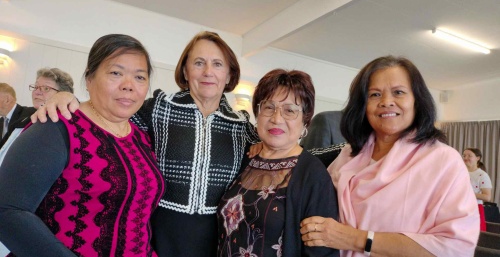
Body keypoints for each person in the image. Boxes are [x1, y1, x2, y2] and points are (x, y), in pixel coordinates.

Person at [31, 31, 261, 256]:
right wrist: (68, 99)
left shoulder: (242, 127)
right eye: (199, 63)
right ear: (185, 70)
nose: (208, 72)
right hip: (152, 237)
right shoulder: (157, 108)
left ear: (230, 75)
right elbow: (107, 114)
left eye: (218, 64)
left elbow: (276, 158)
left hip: (215, 241)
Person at [0, 34, 165, 256]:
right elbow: (7, 210)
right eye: (116, 73)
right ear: (89, 78)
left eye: (140, 77)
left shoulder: (142, 138)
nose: (128, 86)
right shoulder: (56, 126)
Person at [300, 56, 479, 257]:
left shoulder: (443, 161)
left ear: (417, 101)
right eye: (375, 94)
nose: (386, 102)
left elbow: (455, 248)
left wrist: (354, 238)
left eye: (398, 92)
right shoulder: (349, 155)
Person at [217, 69, 340, 257]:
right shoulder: (245, 159)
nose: (276, 118)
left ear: (305, 120)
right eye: (268, 107)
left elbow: (322, 251)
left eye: (290, 110)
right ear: (258, 113)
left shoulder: (313, 175)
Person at [0, 68, 74, 164]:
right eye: (35, 87)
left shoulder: (65, 126)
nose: (37, 92)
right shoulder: (23, 122)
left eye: (46, 88)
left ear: (62, 94)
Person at [463, 148, 492, 231]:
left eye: (469, 156)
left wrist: (468, 193)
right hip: (461, 207)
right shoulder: (462, 172)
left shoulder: (482, 175)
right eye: (464, 155)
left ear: (477, 158)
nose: (466, 158)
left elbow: (487, 197)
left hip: (475, 209)